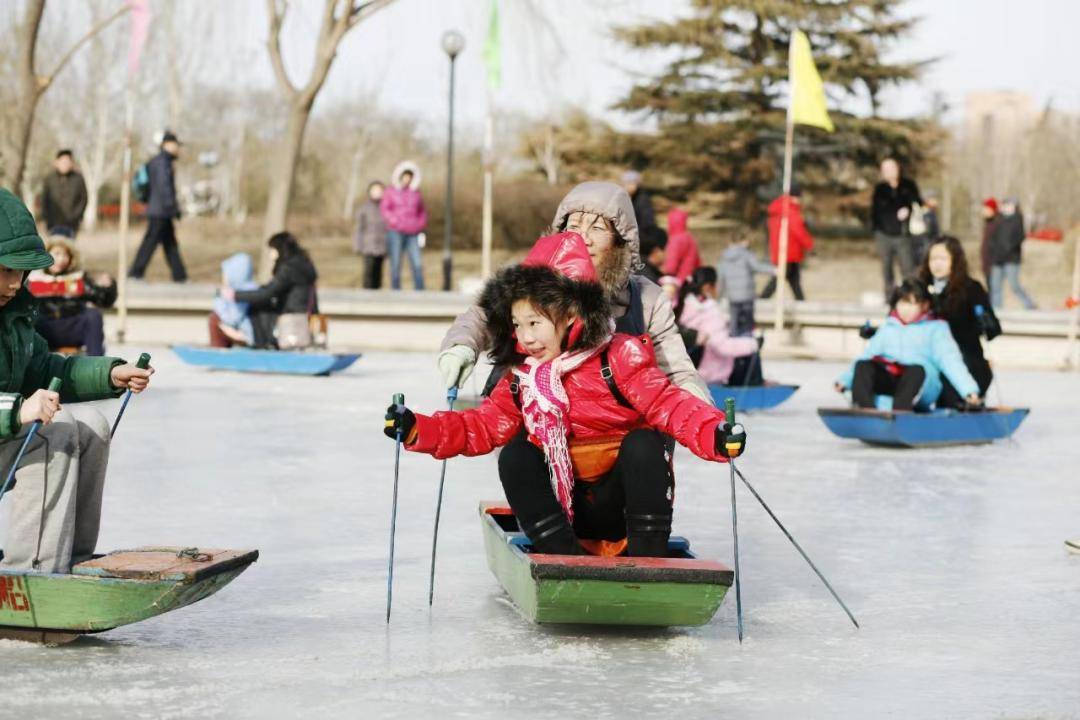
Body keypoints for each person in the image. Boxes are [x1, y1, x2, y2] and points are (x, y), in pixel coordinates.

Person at [384, 232, 746, 557]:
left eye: (535, 324)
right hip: (565, 512)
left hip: (619, 505)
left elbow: (670, 405)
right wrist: (417, 428)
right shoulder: (523, 376)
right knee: (515, 455)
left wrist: (716, 434)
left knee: (645, 444)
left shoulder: (619, 357)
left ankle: (646, 559)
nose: (525, 338)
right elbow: (481, 426)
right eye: (517, 325)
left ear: (573, 315)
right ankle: (564, 558)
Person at [438, 181, 710, 404]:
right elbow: (485, 316)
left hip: (615, 423)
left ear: (620, 239)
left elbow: (675, 366)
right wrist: (462, 345)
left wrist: (699, 406)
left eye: (598, 227)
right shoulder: (533, 279)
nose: (584, 237)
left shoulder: (646, 297)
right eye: (575, 225)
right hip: (538, 416)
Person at [0, 188, 153, 573]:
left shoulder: (12, 316)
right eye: (4, 270)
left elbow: (47, 368)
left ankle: (72, 558)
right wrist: (19, 409)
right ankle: (31, 572)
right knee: (55, 432)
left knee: (91, 427)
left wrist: (110, 373)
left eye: (20, 271)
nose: (14, 283)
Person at [835, 278, 981, 412]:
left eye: (912, 304)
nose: (906, 309)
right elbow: (868, 355)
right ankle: (864, 408)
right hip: (891, 377)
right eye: (903, 303)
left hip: (920, 382)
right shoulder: (888, 328)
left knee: (915, 371)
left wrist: (969, 390)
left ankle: (901, 412)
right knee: (863, 365)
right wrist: (844, 380)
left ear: (924, 305)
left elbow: (950, 361)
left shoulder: (936, 329)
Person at [916, 236, 1000, 407]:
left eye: (943, 259)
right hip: (927, 361)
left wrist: (985, 322)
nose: (937, 264)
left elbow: (992, 329)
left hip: (964, 360)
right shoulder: (918, 289)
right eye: (933, 259)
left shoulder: (971, 289)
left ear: (955, 260)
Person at [220, 233, 318, 349]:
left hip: (290, 314)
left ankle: (259, 343)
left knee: (257, 307)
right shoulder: (303, 264)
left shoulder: (288, 268)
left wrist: (236, 295)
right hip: (305, 313)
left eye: (272, 249)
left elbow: (267, 293)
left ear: (280, 249)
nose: (270, 253)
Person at [27, 234, 116, 356]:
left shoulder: (78, 279)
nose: (61, 259)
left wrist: (108, 287)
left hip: (71, 327)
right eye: (57, 254)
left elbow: (105, 300)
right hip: (43, 329)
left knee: (93, 315)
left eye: (65, 255)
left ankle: (96, 364)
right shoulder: (33, 279)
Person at [677, 267, 760, 386]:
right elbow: (722, 347)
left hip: (691, 371)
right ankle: (755, 387)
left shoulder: (685, 305)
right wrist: (753, 344)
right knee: (751, 350)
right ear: (707, 287)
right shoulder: (709, 311)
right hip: (710, 375)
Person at [129, 131, 187, 282]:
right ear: (167, 144)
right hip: (160, 211)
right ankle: (135, 273)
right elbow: (164, 188)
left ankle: (180, 276)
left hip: (161, 210)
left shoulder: (162, 161)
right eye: (176, 145)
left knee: (170, 244)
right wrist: (173, 207)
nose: (178, 148)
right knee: (150, 242)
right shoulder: (162, 163)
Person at [871, 158, 922, 300]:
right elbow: (876, 212)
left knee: (908, 267)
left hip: (903, 234)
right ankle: (890, 297)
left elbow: (918, 203)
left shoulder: (908, 185)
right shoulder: (880, 189)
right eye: (885, 170)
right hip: (884, 233)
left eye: (891, 168)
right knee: (886, 268)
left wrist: (908, 210)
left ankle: (911, 295)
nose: (889, 172)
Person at [718, 227, 774, 337]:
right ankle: (748, 344)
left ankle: (734, 344)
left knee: (734, 322)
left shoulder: (724, 257)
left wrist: (719, 297)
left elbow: (721, 278)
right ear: (741, 241)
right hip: (747, 295)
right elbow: (757, 266)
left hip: (732, 296)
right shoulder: (746, 254)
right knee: (748, 323)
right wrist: (773, 270)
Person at [380, 161, 426, 290]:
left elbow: (422, 212)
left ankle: (420, 290)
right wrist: (394, 221)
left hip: (413, 233)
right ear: (400, 176)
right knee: (395, 263)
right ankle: (395, 289)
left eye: (410, 176)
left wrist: (420, 224)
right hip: (396, 232)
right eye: (405, 176)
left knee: (417, 263)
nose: (407, 179)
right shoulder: (391, 191)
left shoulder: (416, 193)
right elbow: (385, 209)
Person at [761, 191, 814, 301]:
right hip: (789, 252)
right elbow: (799, 231)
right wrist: (809, 245)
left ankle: (801, 301)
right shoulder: (790, 212)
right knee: (779, 279)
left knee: (794, 280)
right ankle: (762, 299)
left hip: (782, 251)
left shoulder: (779, 210)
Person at [987, 198, 1036, 310]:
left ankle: (1029, 304)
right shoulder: (998, 220)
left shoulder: (1017, 219)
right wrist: (993, 250)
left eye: (1008, 205)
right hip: (997, 259)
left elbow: (1020, 237)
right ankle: (996, 308)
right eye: (1005, 205)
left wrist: (1009, 248)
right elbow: (992, 238)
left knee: (1014, 285)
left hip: (1011, 259)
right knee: (995, 286)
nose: (1005, 207)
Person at [209, 253, 259, 347]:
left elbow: (233, 318)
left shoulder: (240, 292)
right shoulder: (252, 288)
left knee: (214, 319)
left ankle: (217, 351)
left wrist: (219, 301)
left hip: (246, 333)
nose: (224, 278)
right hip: (245, 330)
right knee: (216, 319)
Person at [40, 149, 88, 237]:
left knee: (69, 248)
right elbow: (44, 200)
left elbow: (83, 199)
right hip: (52, 224)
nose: (65, 164)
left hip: (72, 224)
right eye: (62, 161)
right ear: (56, 162)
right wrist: (45, 219)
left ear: (71, 163)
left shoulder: (78, 179)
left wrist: (76, 217)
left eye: (67, 162)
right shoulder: (49, 178)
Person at [354, 180, 387, 289]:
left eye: (379, 190)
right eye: (375, 190)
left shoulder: (386, 207)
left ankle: (377, 296)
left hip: (382, 245)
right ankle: (366, 294)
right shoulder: (364, 208)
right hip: (368, 245)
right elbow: (359, 228)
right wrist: (358, 245)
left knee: (379, 273)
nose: (377, 193)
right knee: (368, 272)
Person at [662, 208, 701, 283]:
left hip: (679, 283)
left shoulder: (676, 240)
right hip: (690, 279)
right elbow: (698, 262)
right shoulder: (690, 238)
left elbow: (671, 267)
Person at [978, 198, 999, 282]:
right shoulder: (988, 222)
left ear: (992, 209)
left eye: (986, 209)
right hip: (986, 263)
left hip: (993, 264)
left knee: (994, 291)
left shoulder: (997, 223)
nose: (984, 211)